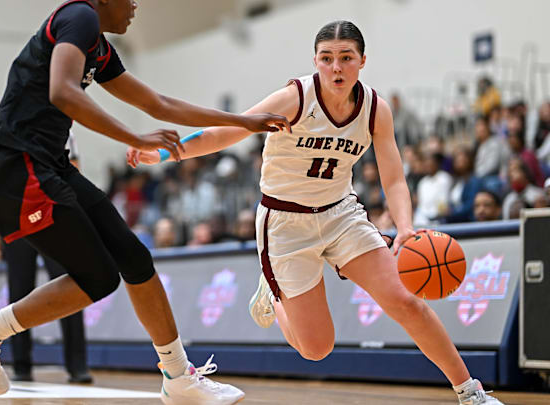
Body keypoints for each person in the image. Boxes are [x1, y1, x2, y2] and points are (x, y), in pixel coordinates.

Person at [128, 20, 502, 405]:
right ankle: (272, 294)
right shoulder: (293, 100)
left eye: (345, 58)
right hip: (285, 223)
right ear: (315, 61)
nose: (336, 67)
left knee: (406, 301)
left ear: (361, 61)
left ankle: (470, 392)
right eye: (327, 59)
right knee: (317, 348)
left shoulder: (376, 109)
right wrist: (161, 153)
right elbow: (224, 132)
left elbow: (392, 178)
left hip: (341, 214)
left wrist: (405, 228)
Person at [0, 1, 288, 404]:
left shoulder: (100, 48)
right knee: (99, 277)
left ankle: (178, 378)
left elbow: (160, 105)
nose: (136, 5)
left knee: (134, 257)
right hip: (12, 164)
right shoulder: (79, 17)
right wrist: (134, 138)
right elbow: (63, 91)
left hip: (47, 163)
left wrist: (242, 122)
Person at [0, 130, 92, 384]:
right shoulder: (6, 127)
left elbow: (74, 169)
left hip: (54, 220)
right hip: (17, 219)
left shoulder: (62, 127)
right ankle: (21, 365)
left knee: (71, 290)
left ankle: (77, 365)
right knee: (19, 292)